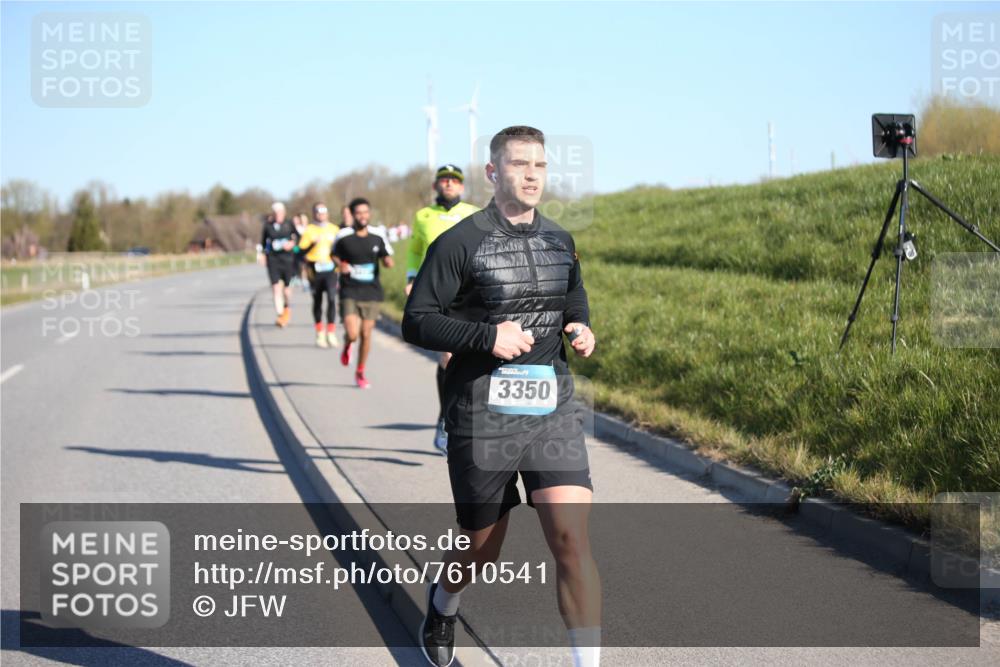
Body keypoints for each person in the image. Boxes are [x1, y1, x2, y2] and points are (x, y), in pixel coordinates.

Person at [403, 126, 600, 667]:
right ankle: (443, 606)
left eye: (539, 165)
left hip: (550, 406)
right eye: (519, 165)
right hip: (482, 411)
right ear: (493, 173)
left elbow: (572, 294)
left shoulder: (561, 238)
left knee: (571, 540)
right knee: (481, 546)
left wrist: (580, 327)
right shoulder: (459, 243)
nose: (532, 175)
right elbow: (416, 321)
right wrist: (488, 337)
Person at [405, 164, 481, 454]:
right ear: (436, 186)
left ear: (461, 187)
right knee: (448, 357)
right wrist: (411, 278)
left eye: (454, 181)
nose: (449, 184)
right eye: (444, 180)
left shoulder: (474, 213)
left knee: (463, 357)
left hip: (468, 291)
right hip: (436, 290)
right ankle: (446, 418)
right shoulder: (423, 216)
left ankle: (462, 417)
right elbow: (413, 250)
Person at [333, 197, 394, 389]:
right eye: (358, 213)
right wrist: (340, 264)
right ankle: (348, 343)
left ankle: (360, 371)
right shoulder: (343, 236)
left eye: (365, 212)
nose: (363, 216)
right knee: (353, 333)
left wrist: (387, 262)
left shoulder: (377, 235)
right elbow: (333, 254)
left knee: (366, 334)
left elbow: (385, 255)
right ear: (352, 215)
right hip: (349, 290)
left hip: (371, 292)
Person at [296, 202, 341, 348]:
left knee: (332, 298)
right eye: (318, 212)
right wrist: (312, 245)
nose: (321, 214)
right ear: (314, 213)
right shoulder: (309, 230)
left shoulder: (334, 229)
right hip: (314, 270)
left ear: (327, 213)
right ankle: (319, 332)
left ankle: (331, 332)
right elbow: (300, 252)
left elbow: (342, 249)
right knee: (317, 300)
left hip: (330, 270)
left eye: (323, 211)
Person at [259, 202, 299, 327]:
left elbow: (298, 237)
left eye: (280, 212)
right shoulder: (268, 226)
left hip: (288, 260)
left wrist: (292, 243)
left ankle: (286, 307)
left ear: (284, 213)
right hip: (273, 260)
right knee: (276, 288)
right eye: (275, 213)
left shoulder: (289, 224)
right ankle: (281, 315)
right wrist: (263, 254)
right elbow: (264, 243)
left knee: (287, 291)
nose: (278, 215)